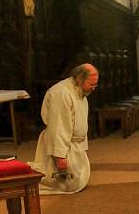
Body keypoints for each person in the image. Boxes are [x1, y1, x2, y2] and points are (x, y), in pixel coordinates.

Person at [30, 64, 99, 194]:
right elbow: (58, 128)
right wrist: (60, 156)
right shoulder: (61, 93)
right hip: (63, 145)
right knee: (63, 182)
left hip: (74, 145)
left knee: (76, 181)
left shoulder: (79, 91)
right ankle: (28, 182)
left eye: (95, 84)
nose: (94, 88)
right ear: (79, 79)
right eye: (91, 84)